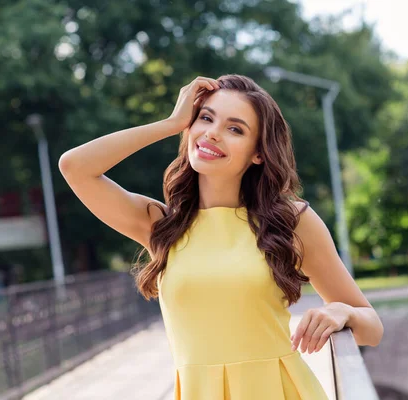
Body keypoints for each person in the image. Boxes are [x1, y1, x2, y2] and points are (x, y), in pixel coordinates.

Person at [59, 75, 384, 399]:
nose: (213, 133)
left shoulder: (290, 221)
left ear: (258, 153)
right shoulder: (159, 225)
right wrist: (172, 123)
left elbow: (371, 327)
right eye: (205, 118)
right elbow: (75, 167)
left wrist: (342, 312)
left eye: (235, 129)